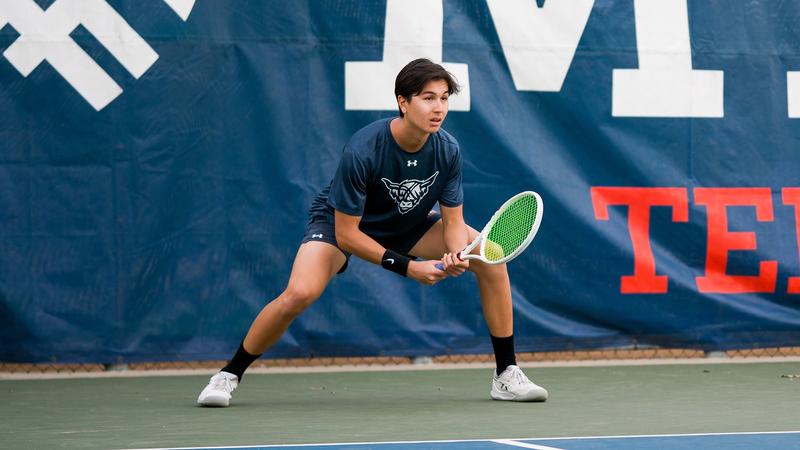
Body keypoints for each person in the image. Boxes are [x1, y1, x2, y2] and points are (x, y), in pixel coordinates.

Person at [197, 58, 548, 406]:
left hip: (407, 222)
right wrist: (409, 268)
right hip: (344, 223)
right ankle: (229, 374)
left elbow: (453, 223)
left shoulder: (447, 150)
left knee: (492, 259)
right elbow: (348, 235)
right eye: (428, 98)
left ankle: (506, 374)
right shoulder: (364, 149)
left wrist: (455, 255)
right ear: (403, 102)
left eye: (443, 98)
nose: (438, 107)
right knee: (299, 293)